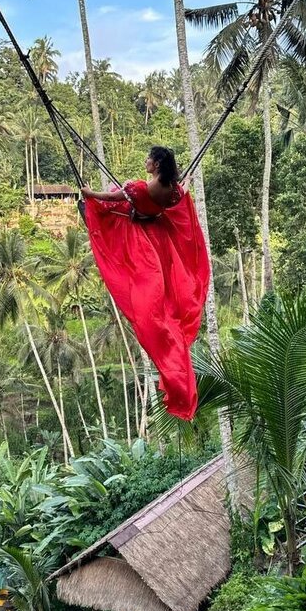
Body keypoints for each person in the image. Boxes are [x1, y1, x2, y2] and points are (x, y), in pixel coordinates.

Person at [81, 147, 210, 420]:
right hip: (159, 237)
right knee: (164, 302)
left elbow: (111, 197)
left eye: (149, 158)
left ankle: (92, 217)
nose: (146, 161)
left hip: (138, 236)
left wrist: (89, 194)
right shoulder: (173, 190)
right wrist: (185, 182)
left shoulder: (139, 188)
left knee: (108, 214)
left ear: (158, 163)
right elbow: (181, 195)